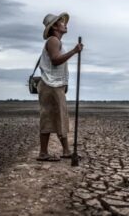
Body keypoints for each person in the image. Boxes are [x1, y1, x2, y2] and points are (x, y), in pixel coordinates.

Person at [36, 12, 83, 161]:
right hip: (50, 85)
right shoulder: (53, 41)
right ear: (55, 26)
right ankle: (44, 153)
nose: (65, 24)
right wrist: (74, 51)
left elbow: (57, 66)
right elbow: (56, 60)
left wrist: (64, 84)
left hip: (55, 85)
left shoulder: (56, 41)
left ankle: (66, 151)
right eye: (62, 22)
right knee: (50, 117)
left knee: (58, 117)